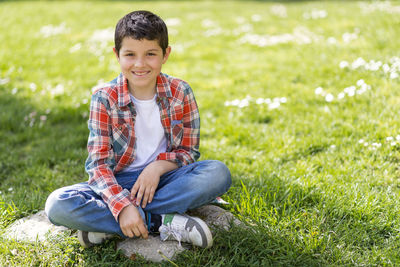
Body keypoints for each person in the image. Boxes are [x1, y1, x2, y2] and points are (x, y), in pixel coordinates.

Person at [45, 10, 231, 249]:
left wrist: (156, 168)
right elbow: (98, 166)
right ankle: (158, 221)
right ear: (117, 55)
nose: (140, 64)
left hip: (165, 180)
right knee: (57, 204)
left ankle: (110, 225)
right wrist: (122, 205)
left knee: (218, 173)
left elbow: (188, 152)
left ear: (166, 55)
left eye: (150, 54)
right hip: (118, 181)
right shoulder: (104, 98)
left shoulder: (181, 92)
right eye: (130, 54)